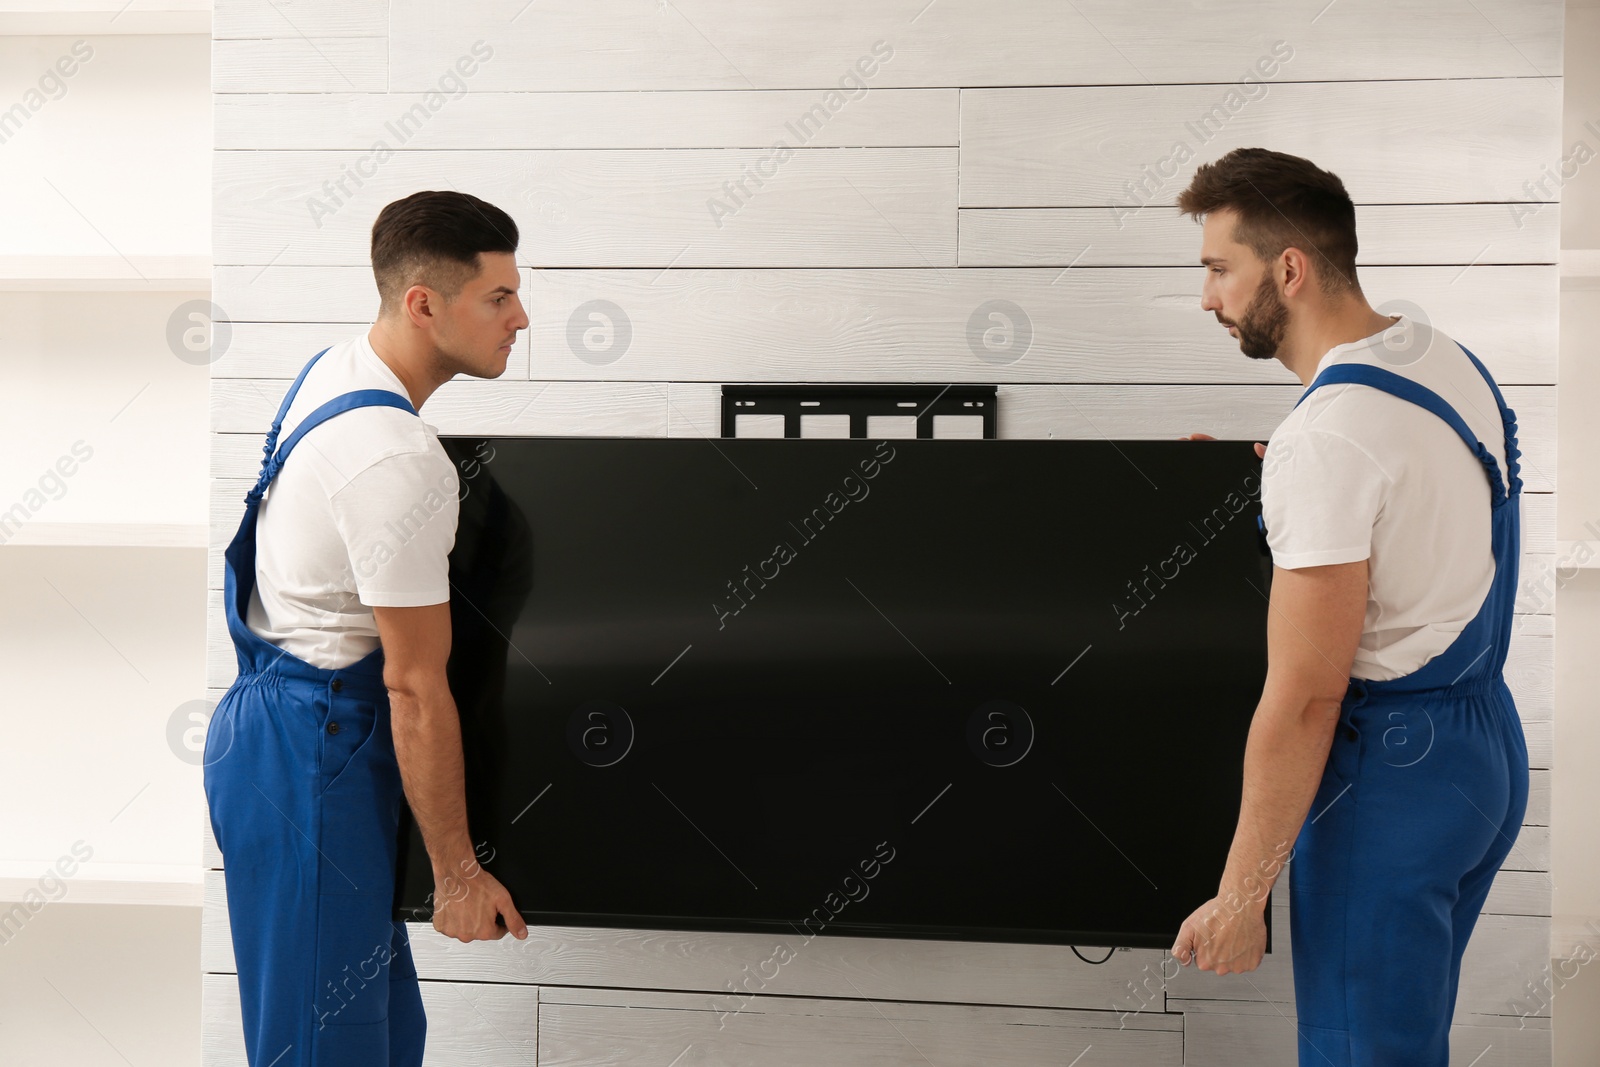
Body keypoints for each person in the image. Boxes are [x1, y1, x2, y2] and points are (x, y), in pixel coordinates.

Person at [1167, 148, 1529, 1067]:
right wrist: (1294, 485)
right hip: (1482, 757)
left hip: (1389, 784)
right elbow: (1413, 502)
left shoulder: (1326, 439)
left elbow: (1304, 699)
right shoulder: (1439, 357)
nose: (1207, 298)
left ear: (1288, 268)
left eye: (1219, 269)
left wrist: (1242, 893)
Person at [203, 190, 532, 1067]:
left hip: (285, 731)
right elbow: (415, 686)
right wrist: (457, 877)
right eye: (498, 297)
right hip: (314, 748)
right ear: (424, 303)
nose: (521, 317)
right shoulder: (396, 456)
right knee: (324, 1050)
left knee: (373, 1040)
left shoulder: (336, 366)